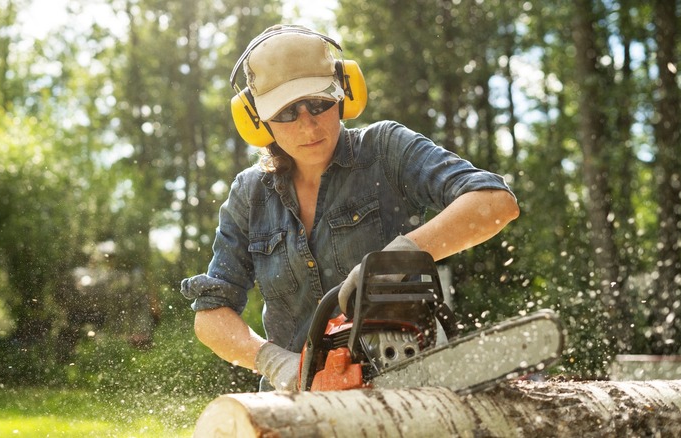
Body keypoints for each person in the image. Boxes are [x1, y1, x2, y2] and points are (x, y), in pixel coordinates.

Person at [180, 24, 520, 391]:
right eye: (287, 112)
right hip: (298, 403)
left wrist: (398, 258)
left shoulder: (385, 150)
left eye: (319, 103)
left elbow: (494, 201)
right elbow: (211, 314)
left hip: (409, 390)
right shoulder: (250, 194)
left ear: (344, 93)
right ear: (257, 119)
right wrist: (278, 364)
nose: (308, 124)